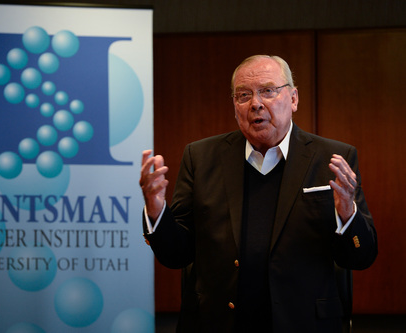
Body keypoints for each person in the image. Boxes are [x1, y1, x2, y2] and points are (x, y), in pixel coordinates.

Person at [139, 55, 378, 332]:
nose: (255, 103)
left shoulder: (331, 158)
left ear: (293, 99)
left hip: (304, 323)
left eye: (268, 91)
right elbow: (176, 255)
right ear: (234, 105)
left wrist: (347, 212)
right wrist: (156, 210)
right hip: (217, 322)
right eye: (243, 95)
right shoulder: (201, 157)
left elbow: (361, 257)